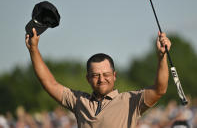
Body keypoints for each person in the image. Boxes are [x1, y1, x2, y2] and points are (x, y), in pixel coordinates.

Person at [25, 28, 171, 128]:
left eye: (106, 74)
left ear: (114, 76)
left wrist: (162, 56)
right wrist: (33, 49)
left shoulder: (130, 101)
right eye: (95, 75)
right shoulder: (79, 101)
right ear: (88, 78)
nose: (101, 79)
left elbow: (160, 89)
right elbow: (49, 83)